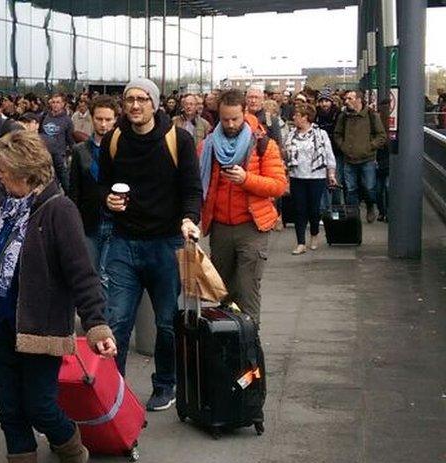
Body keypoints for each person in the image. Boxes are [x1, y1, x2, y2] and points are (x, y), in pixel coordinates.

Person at [0, 130, 117, 463]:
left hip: (41, 327)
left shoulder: (59, 210)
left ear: (25, 171)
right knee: (9, 410)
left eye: (4, 171)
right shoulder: (10, 208)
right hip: (4, 325)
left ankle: (72, 450)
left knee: (39, 405)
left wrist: (97, 325)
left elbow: (82, 274)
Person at [97, 79, 203, 411]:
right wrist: (107, 201)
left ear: (155, 103)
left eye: (142, 99)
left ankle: (165, 384)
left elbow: (191, 188)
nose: (135, 105)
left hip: (166, 243)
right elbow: (99, 187)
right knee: (117, 321)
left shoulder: (178, 139)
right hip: (124, 243)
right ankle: (113, 390)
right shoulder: (114, 140)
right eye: (130, 99)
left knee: (166, 322)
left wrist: (189, 217)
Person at [199, 89, 288, 324]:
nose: (229, 124)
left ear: (245, 112)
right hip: (219, 227)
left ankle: (250, 351)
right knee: (223, 293)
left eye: (235, 119)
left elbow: (279, 186)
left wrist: (246, 179)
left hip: (252, 227)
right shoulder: (209, 144)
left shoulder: (263, 144)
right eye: (225, 119)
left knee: (248, 291)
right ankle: (227, 347)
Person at [68, 95, 118, 273]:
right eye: (99, 119)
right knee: (91, 271)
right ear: (92, 118)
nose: (103, 124)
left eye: (108, 119)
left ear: (115, 120)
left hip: (116, 222)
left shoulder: (122, 149)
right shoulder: (80, 151)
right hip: (89, 222)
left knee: (107, 273)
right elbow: (74, 190)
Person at [284, 103, 337, 255]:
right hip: (297, 176)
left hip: (316, 176)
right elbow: (286, 156)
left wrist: (331, 174)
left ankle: (314, 234)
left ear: (305, 117)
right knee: (299, 209)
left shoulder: (320, 134)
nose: (293, 117)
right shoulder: (291, 134)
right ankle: (300, 242)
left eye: (296, 115)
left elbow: (328, 154)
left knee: (314, 209)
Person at [334, 89, 388, 223]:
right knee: (350, 189)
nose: (346, 101)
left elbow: (381, 136)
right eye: (346, 99)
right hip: (349, 158)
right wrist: (343, 146)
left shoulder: (371, 115)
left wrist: (369, 146)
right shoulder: (343, 116)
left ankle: (370, 206)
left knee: (369, 187)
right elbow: (337, 134)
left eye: (350, 99)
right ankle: (353, 216)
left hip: (367, 159)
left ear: (359, 100)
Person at [40, 93, 74, 190]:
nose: (55, 104)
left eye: (58, 102)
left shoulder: (67, 120)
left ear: (63, 104)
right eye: (53, 102)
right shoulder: (45, 117)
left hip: (59, 156)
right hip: (44, 155)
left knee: (60, 182)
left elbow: (70, 140)